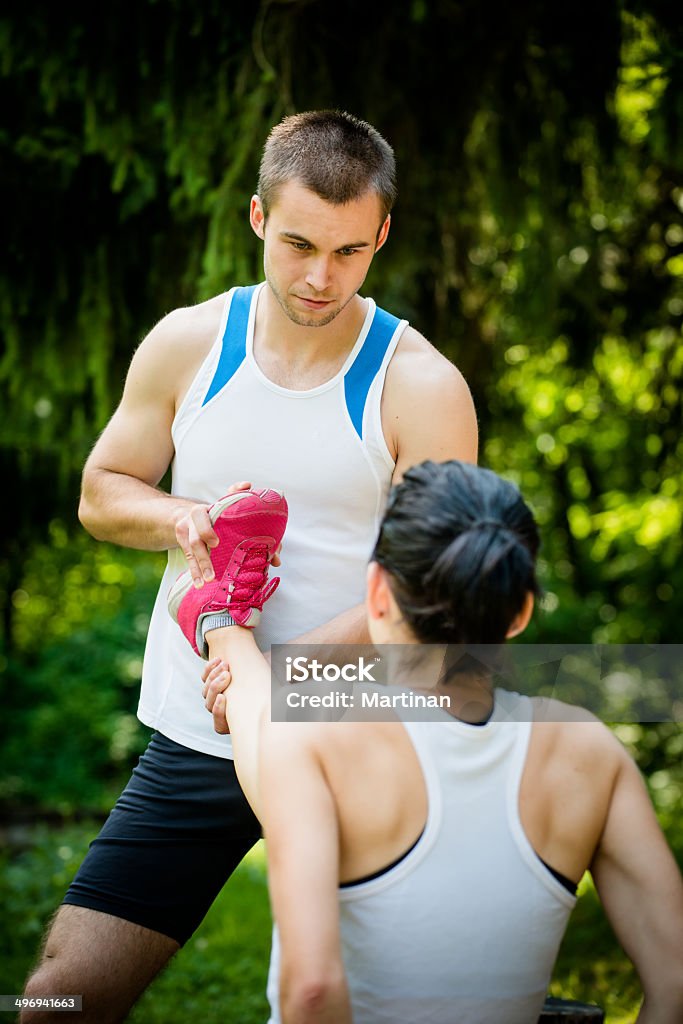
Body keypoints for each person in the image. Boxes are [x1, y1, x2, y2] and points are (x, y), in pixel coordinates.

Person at [21, 111, 478, 1023]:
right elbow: (103, 490)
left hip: (360, 736)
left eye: (349, 252)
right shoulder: (190, 343)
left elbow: (437, 588)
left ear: (382, 234)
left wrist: (278, 676)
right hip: (201, 734)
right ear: (258, 217)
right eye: (300, 242)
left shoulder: (421, 384)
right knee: (57, 1003)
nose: (320, 278)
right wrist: (185, 518)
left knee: (363, 1008)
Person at [192, 460, 683, 1024]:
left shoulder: (313, 735)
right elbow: (676, 984)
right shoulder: (590, 752)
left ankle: (219, 618)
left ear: (377, 592)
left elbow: (312, 992)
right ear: (520, 612)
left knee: (265, 710)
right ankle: (221, 620)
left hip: (289, 725)